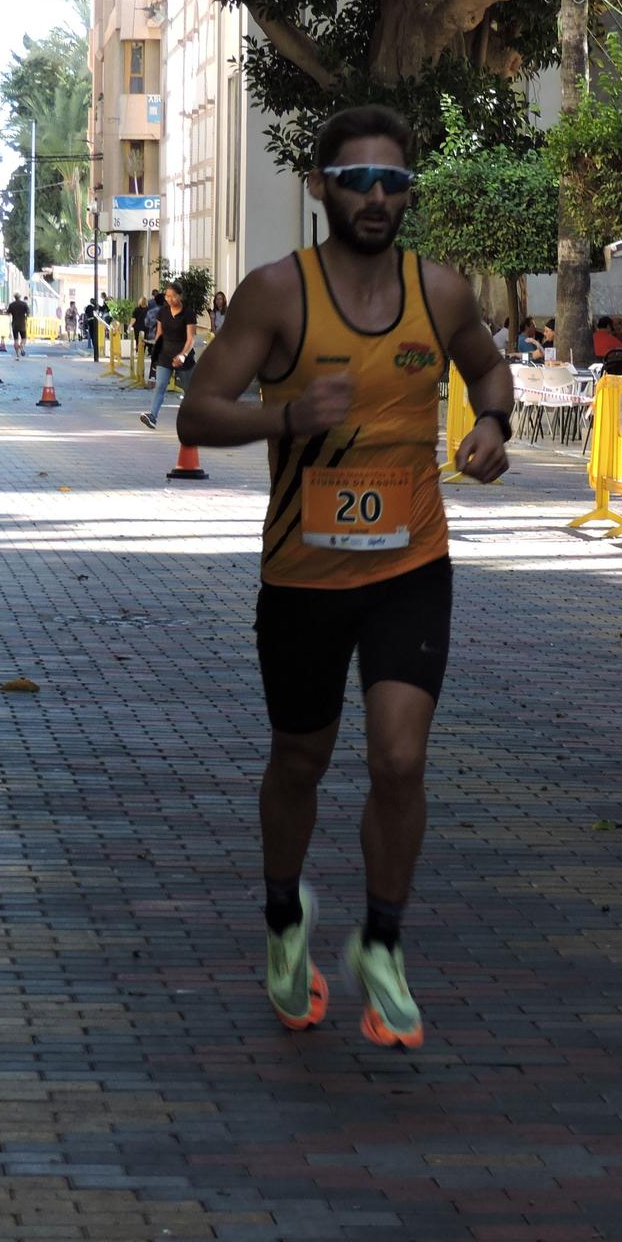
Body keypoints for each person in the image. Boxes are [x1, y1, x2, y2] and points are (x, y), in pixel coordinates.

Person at [178, 104, 512, 1051]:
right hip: (302, 577)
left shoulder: (439, 292)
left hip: (411, 564)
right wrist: (287, 418)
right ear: (320, 187)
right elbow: (198, 415)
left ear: (410, 194)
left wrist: (493, 427)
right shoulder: (277, 294)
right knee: (301, 760)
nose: (375, 198)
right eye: (356, 181)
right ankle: (285, 921)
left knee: (400, 759)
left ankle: (385, 942)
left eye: (393, 183)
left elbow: (490, 374)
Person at [139, 280, 199, 430]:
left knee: (190, 390)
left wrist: (183, 355)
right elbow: (160, 334)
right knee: (160, 386)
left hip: (183, 355)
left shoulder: (188, 313)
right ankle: (152, 416)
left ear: (180, 296)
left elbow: (191, 338)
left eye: (173, 296)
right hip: (165, 355)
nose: (170, 299)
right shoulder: (163, 312)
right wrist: (155, 354)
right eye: (167, 296)